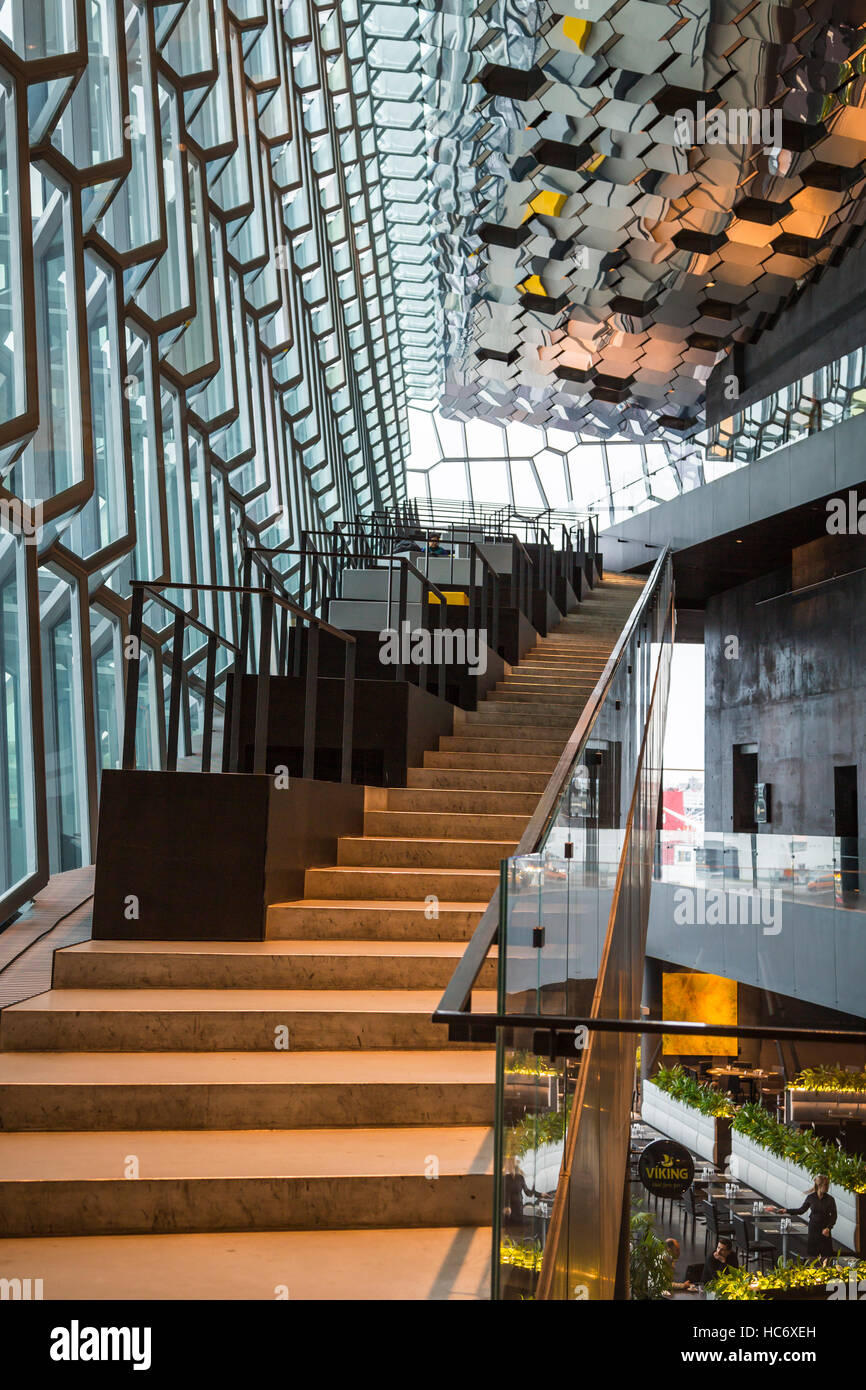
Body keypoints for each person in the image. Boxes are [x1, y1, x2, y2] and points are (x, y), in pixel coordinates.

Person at [769, 1174, 837, 1261]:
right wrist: (786, 1211)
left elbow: (834, 1216)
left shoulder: (830, 1199)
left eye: (828, 1184)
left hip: (825, 1230)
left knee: (826, 1254)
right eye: (826, 1185)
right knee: (813, 1254)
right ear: (819, 1185)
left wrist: (828, 1227)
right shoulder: (811, 1197)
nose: (828, 1187)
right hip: (813, 1229)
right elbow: (801, 1210)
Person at [502, 1155, 536, 1234]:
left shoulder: (520, 1178)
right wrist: (507, 1206)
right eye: (508, 1166)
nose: (509, 1168)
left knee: (519, 1230)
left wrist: (538, 1193)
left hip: (519, 1206)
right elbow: (505, 1193)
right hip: (509, 1208)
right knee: (509, 1230)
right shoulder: (505, 1178)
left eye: (511, 1166)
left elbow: (527, 1192)